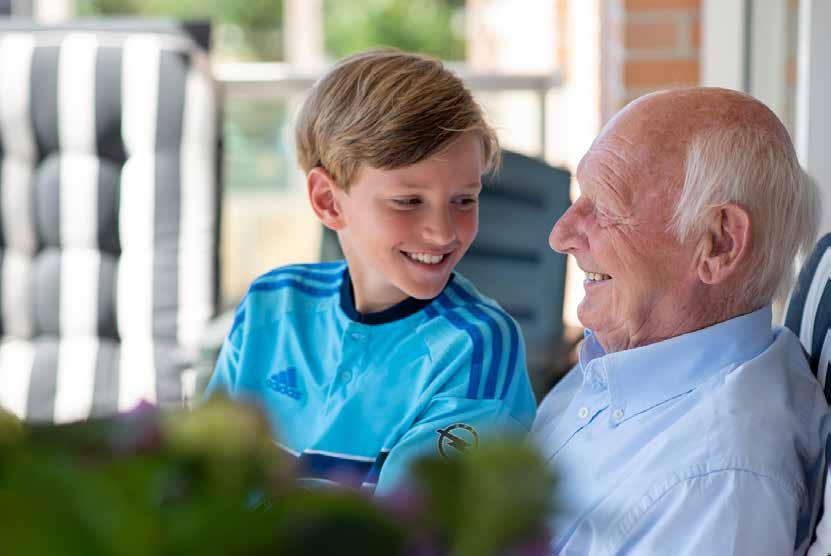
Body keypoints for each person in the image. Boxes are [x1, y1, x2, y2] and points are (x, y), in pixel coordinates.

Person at [207, 49, 536, 495]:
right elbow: (202, 481)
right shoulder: (273, 301)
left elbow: (410, 532)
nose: (442, 233)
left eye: (465, 200)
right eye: (407, 201)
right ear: (328, 201)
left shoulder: (476, 345)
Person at [532, 87, 829, 554]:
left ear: (720, 243)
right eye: (579, 196)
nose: (560, 235)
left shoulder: (717, 485)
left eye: (604, 206)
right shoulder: (632, 362)